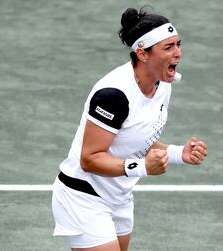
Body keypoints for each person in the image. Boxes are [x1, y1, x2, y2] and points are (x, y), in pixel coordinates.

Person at [52, 6, 208, 251]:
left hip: (120, 195)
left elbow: (136, 140)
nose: (177, 53)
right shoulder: (113, 96)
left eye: (178, 44)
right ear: (142, 53)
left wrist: (179, 154)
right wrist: (142, 167)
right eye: (168, 48)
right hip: (84, 196)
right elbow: (89, 159)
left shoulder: (163, 84)